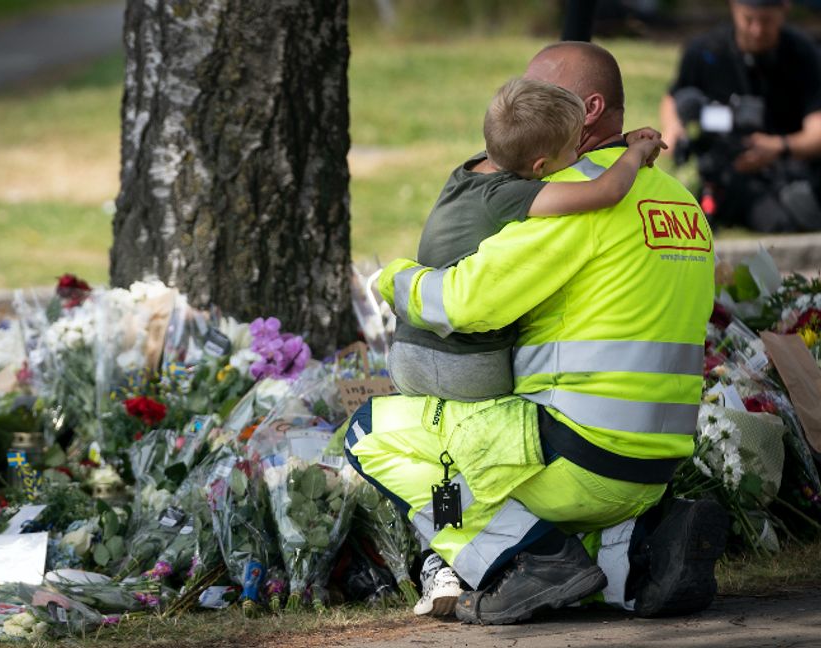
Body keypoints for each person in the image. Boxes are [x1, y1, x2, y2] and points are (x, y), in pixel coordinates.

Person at [346, 41, 725, 626]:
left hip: (573, 453)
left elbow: (464, 302)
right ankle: (638, 557)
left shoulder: (574, 203)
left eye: (541, 92)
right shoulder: (678, 202)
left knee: (372, 432)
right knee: (568, 525)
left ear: (588, 110)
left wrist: (395, 277)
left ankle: (525, 556)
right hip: (653, 464)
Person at [390, 76, 664, 408]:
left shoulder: (472, 169)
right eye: (575, 148)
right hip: (468, 364)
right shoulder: (508, 194)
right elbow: (607, 192)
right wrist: (635, 152)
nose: (580, 154)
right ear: (540, 167)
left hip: (406, 351)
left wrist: (619, 140)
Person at [659, 0, 821, 232]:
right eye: (748, 20)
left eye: (766, 21)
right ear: (733, 7)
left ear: (784, 9)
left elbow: (817, 130)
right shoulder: (705, 51)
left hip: (783, 169)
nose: (757, 30)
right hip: (725, 171)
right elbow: (674, 97)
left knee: (782, 220)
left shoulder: (804, 54)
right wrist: (673, 129)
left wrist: (778, 147)